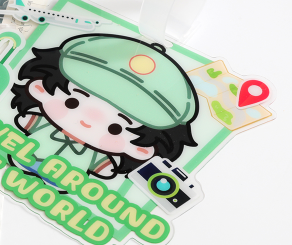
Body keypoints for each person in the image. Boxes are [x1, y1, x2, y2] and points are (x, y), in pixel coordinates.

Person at [10, 34, 199, 180]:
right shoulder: (42, 123)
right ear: (39, 88)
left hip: (65, 181)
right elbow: (25, 120)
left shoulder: (96, 155)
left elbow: (105, 169)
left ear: (141, 150)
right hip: (22, 157)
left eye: (115, 128)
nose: (86, 121)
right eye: (72, 102)